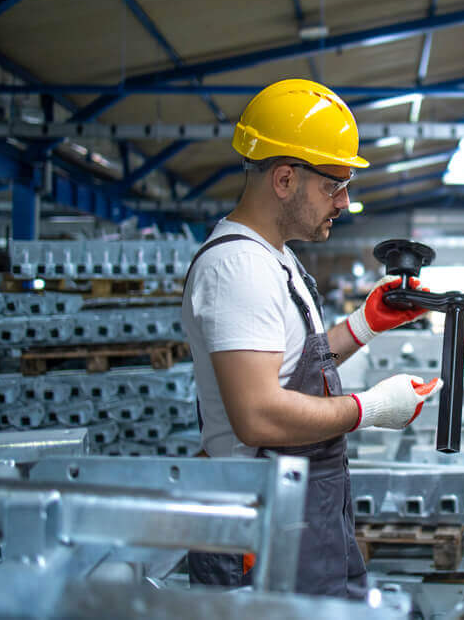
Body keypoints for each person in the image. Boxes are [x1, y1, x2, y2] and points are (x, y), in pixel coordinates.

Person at [181, 79, 443, 598]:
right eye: (334, 185)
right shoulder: (239, 267)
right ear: (283, 179)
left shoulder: (275, 257)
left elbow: (292, 364)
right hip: (257, 530)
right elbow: (256, 415)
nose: (344, 201)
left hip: (296, 511)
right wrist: (369, 408)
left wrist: (365, 326)